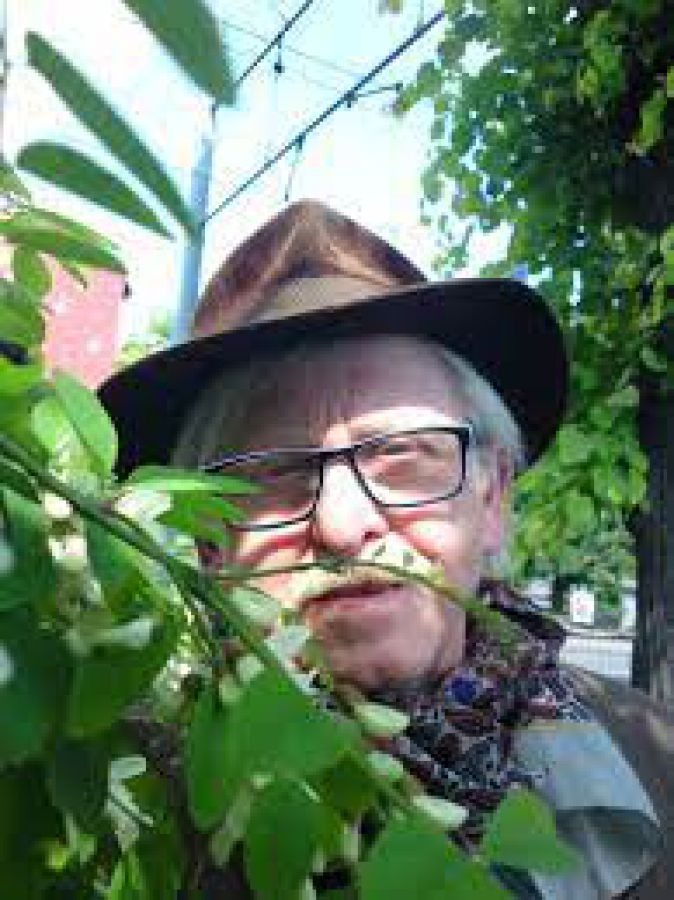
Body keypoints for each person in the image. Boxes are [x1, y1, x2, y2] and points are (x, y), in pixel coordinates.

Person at [101, 201, 674, 900]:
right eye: (277, 472)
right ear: (208, 544)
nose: (344, 527)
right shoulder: (129, 812)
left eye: (402, 456)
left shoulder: (655, 758)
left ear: (493, 498)